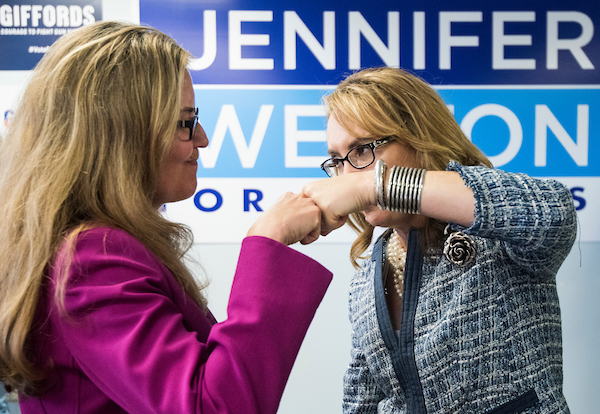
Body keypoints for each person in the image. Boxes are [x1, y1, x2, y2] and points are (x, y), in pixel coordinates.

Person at [0, 21, 332, 414]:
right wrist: (268, 240)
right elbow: (213, 407)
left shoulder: (83, 249)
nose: (203, 139)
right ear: (125, 135)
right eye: (185, 123)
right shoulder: (93, 258)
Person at [302, 67, 577, 413]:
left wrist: (370, 185)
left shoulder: (496, 238)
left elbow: (554, 212)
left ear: (419, 137)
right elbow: (362, 401)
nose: (346, 177)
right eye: (339, 161)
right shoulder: (366, 277)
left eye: (362, 151)